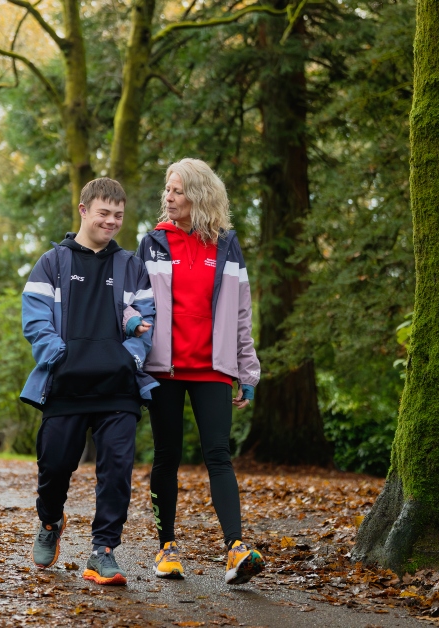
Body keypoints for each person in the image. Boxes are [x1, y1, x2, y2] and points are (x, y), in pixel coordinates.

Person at [20, 177, 156, 586]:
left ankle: (104, 551)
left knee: (117, 468)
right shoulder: (52, 262)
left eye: (118, 215)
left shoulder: (131, 265)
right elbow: (35, 318)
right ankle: (49, 521)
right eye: (104, 213)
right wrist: (59, 356)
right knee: (55, 464)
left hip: (117, 386)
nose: (112, 221)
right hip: (66, 384)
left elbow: (147, 323)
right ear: (83, 210)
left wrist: (129, 356)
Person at [136, 158, 265, 585]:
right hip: (164, 369)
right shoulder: (153, 243)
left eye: (177, 190)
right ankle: (167, 548)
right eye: (167, 191)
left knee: (218, 455)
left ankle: (235, 548)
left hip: (213, 368)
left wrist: (247, 370)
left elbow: (241, 313)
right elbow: (134, 306)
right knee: (167, 456)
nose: (168, 197)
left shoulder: (226, 245)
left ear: (200, 195)